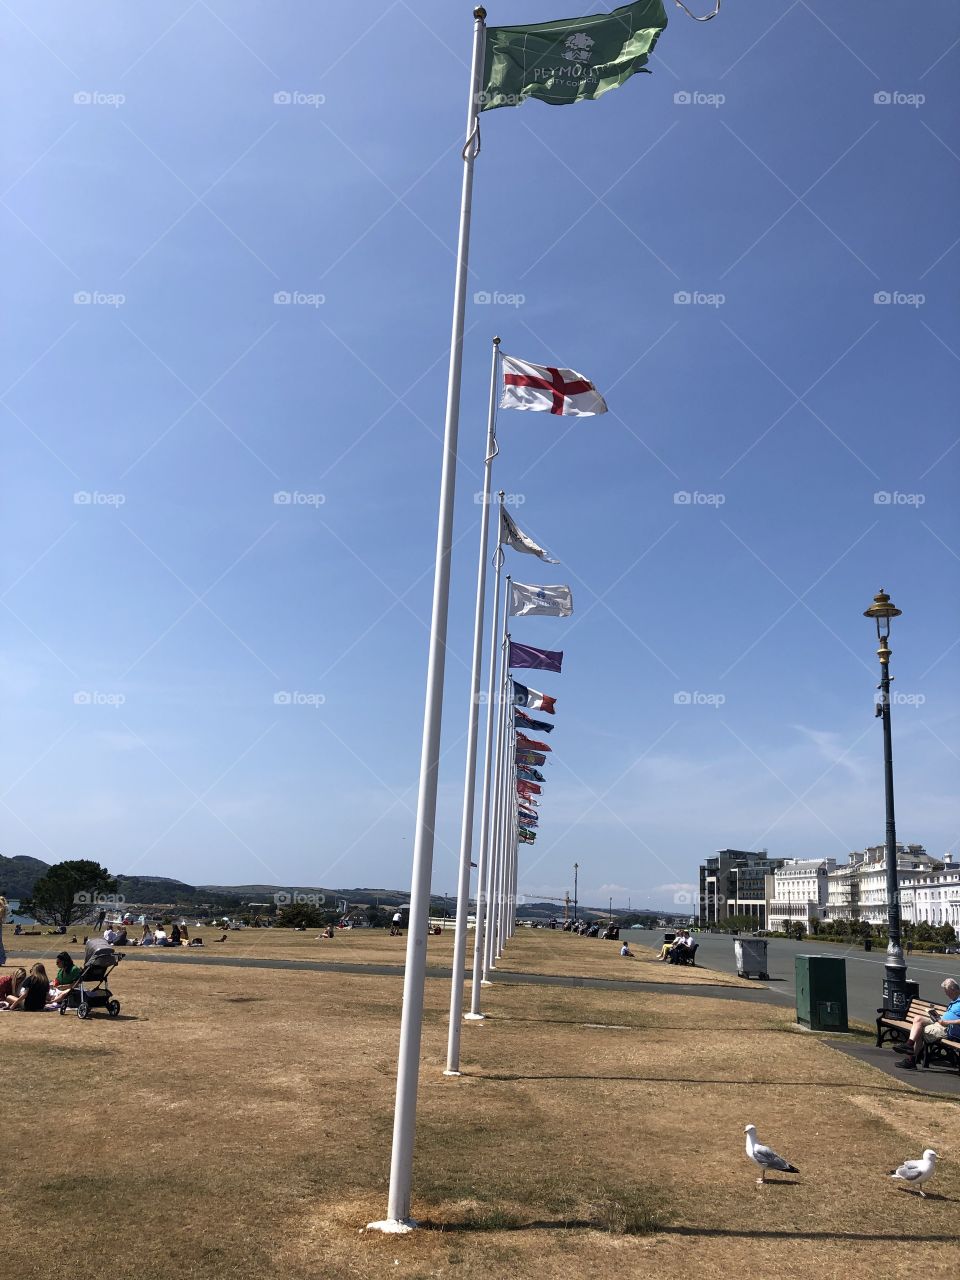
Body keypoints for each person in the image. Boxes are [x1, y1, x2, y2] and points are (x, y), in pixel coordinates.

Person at [895, 979, 960, 1070]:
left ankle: (911, 1060)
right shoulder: (954, 1001)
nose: (946, 994)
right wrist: (937, 1017)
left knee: (919, 1031)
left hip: (948, 1029)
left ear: (955, 990)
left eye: (947, 992)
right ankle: (909, 1045)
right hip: (939, 1023)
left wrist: (946, 1022)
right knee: (918, 1019)